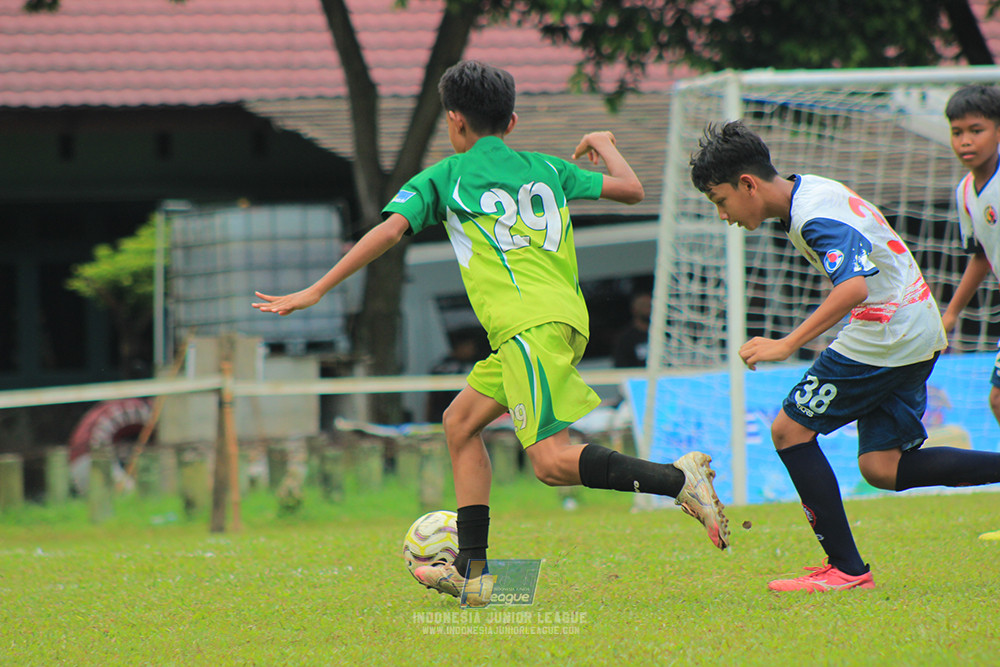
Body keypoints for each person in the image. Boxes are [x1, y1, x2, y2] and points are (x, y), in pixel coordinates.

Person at [254, 60, 730, 606]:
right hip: (555, 322)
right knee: (459, 423)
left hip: (529, 326)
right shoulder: (546, 168)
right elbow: (632, 189)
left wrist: (317, 289)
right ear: (511, 122)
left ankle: (678, 480)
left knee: (550, 463)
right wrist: (603, 143)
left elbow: (388, 231)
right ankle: (473, 574)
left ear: (454, 120)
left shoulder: (446, 177)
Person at [689, 120, 1000, 592]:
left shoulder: (813, 216)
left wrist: (786, 343)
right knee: (882, 467)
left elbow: (853, 287)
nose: (722, 215)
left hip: (887, 331)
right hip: (913, 325)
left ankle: (847, 569)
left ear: (747, 184)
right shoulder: (809, 188)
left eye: (720, 200)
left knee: (789, 431)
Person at [940, 84, 1000, 542]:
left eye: (976, 130)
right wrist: (951, 313)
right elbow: (980, 253)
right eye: (957, 131)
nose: (965, 141)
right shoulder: (966, 192)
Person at [612, 291, 652, 368]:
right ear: (634, 309)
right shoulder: (625, 338)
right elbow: (621, 366)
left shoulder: (663, 333)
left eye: (650, 305)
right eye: (644, 305)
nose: (648, 309)